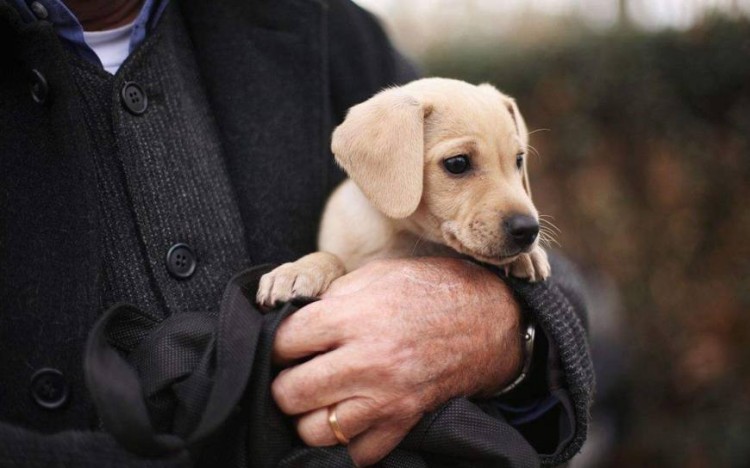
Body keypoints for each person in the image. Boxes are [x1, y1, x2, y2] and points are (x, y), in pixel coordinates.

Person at [0, 0, 594, 466]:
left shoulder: (317, 20)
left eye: (519, 161)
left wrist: (498, 328)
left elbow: (556, 288)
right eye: (458, 165)